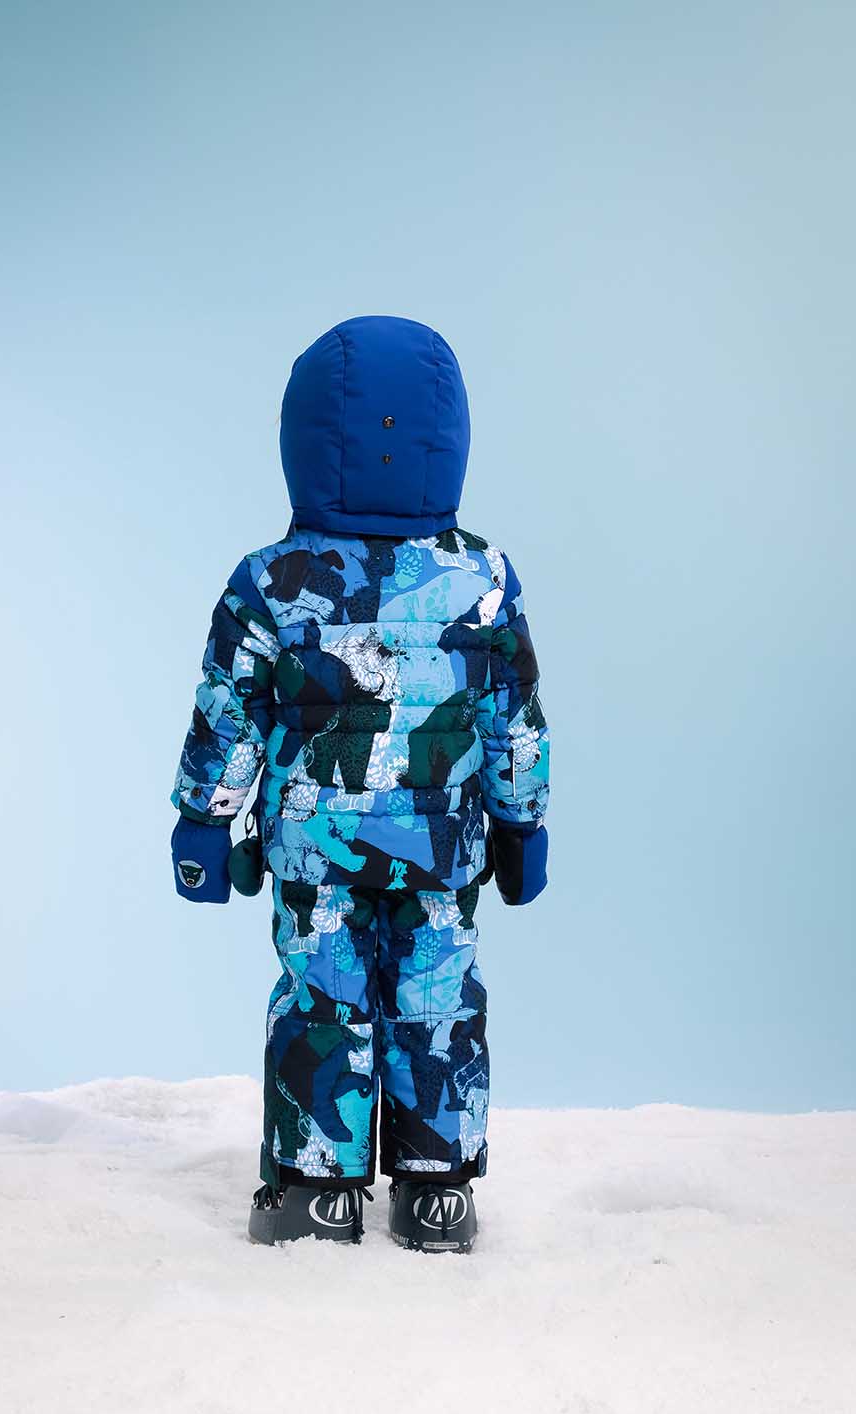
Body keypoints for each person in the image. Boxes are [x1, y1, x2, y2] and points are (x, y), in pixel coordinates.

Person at [170, 315, 549, 1252]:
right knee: (437, 1000)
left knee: (323, 1002)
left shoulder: (269, 583)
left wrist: (206, 821)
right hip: (440, 850)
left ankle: (317, 1191)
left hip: (318, 852)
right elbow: (514, 717)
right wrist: (521, 824)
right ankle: (437, 1191)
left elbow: (230, 713)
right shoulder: (484, 579)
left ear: (303, 439)